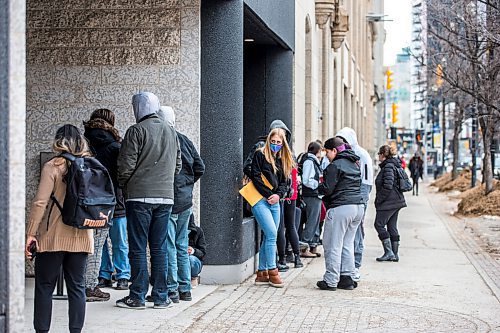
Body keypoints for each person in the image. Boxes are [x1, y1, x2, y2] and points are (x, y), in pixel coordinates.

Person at [116, 92, 181, 309]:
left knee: (137, 247)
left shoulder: (136, 131)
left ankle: (137, 295)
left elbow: (125, 166)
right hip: (166, 197)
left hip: (139, 196)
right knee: (159, 247)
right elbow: (178, 166)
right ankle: (162, 296)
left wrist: (126, 185)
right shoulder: (171, 131)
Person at [26, 124, 94, 333]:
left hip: (53, 236)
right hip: (82, 235)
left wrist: (30, 233)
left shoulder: (53, 166)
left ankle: (42, 331)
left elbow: (40, 203)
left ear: (59, 141)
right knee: (77, 288)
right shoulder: (91, 166)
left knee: (45, 286)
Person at [160, 106, 205, 303]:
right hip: (185, 200)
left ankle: (172, 290)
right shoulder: (185, 139)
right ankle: (185, 288)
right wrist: (187, 184)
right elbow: (200, 167)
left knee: (169, 245)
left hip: (169, 199)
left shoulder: (163, 139)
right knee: (181, 244)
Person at [82, 109, 128, 303]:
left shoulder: (84, 143)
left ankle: (103, 274)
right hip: (115, 199)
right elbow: (123, 172)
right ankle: (124, 276)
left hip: (92, 200)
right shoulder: (117, 145)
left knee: (97, 242)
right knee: (120, 240)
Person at [316, 137, 365, 291]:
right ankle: (347, 278)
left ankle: (330, 280)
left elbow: (328, 189)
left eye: (327, 152)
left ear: (334, 151)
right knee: (347, 243)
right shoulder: (355, 163)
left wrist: (318, 188)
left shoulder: (334, 166)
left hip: (341, 207)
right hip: (358, 208)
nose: (326, 155)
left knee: (333, 244)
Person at [252, 128, 294, 288]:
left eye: (279, 142)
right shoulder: (260, 154)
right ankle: (272, 271)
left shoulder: (284, 159)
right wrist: (269, 194)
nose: (275, 144)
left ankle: (261, 274)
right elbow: (255, 176)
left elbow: (285, 182)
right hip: (259, 199)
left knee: (270, 235)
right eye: (273, 141)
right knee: (271, 234)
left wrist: (278, 195)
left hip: (275, 201)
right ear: (269, 140)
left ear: (283, 144)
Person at [336, 127, 374, 282]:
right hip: (346, 196)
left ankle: (355, 266)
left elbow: (367, 181)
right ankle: (344, 267)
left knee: (356, 232)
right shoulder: (343, 154)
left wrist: (362, 200)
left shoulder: (361, 154)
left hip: (358, 195)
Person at [374, 145, 407, 262]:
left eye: (379, 154)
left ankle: (389, 252)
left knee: (379, 225)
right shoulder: (393, 164)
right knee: (392, 226)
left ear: (383, 155)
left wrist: (379, 199)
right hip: (396, 201)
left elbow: (388, 186)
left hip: (389, 202)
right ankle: (394, 254)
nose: (378, 156)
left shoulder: (388, 166)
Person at [299, 141, 323, 258]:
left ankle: (312, 244)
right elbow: (307, 180)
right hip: (311, 195)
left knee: (315, 221)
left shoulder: (312, 161)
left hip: (314, 195)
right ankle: (304, 247)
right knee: (311, 222)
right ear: (318, 151)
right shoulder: (310, 161)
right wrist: (318, 184)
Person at [188, 214, 207, 287]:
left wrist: (193, 251)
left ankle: (193, 277)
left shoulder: (198, 231)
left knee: (191, 259)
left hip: (193, 259)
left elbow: (203, 253)